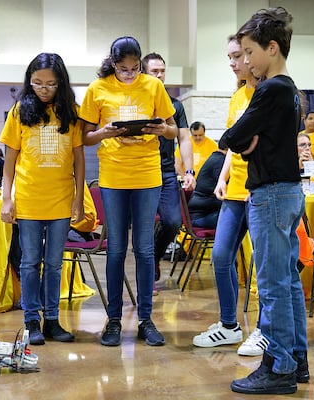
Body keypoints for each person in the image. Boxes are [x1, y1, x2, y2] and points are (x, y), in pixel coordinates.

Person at [220, 7, 308, 394]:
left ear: (271, 48)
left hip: (270, 193)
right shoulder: (289, 89)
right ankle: (296, 358)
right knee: (287, 282)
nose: (246, 61)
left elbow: (230, 137)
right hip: (285, 191)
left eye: (250, 52)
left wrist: (243, 141)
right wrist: (244, 140)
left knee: (272, 285)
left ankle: (279, 366)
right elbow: (240, 138)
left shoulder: (270, 89)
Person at [80, 36, 177, 347]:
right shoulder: (97, 89)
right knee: (117, 249)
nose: (130, 75)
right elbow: (85, 137)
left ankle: (147, 320)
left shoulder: (153, 86)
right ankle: (114, 320)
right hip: (113, 176)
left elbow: (174, 128)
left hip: (148, 174)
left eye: (135, 69)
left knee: (145, 249)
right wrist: (105, 132)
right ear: (112, 63)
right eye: (124, 69)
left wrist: (162, 130)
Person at [0, 52, 84, 345]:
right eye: (37, 83)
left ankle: (52, 319)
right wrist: (6, 199)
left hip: (61, 199)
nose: (44, 89)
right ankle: (31, 320)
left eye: (50, 84)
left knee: (54, 264)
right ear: (29, 82)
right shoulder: (19, 110)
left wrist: (78, 199)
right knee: (29, 261)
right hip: (29, 199)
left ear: (60, 83)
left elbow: (78, 160)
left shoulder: (72, 112)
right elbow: (9, 161)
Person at [191, 35, 268, 357]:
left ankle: (265, 330)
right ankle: (229, 325)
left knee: (264, 266)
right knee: (221, 257)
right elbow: (231, 147)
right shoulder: (238, 97)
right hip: (234, 193)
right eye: (231, 57)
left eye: (239, 55)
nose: (233, 63)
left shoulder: (268, 93)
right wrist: (222, 179)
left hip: (261, 192)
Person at [141, 52, 195, 288]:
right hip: (142, 173)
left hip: (166, 173)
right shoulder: (138, 102)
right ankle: (146, 273)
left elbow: (184, 138)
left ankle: (154, 255)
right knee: (142, 226)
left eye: (162, 71)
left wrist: (190, 171)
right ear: (144, 73)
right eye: (155, 71)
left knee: (173, 222)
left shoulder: (175, 105)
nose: (160, 75)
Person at [188, 143, 226, 228]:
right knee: (236, 217)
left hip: (204, 213)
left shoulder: (215, 158)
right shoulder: (220, 161)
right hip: (200, 217)